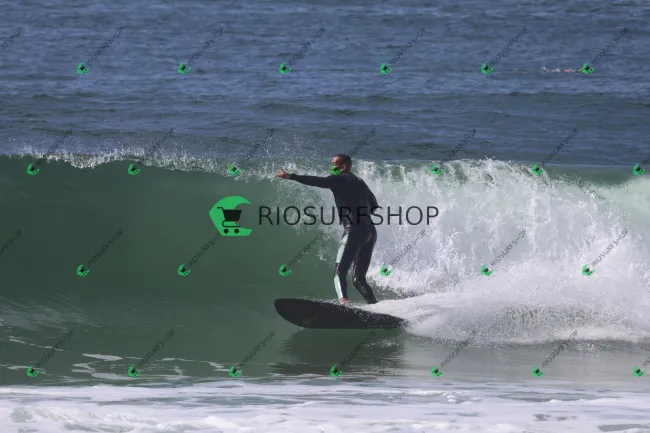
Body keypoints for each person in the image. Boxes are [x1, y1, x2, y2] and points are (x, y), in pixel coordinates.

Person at [276, 154, 379, 304]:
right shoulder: (360, 182)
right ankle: (376, 308)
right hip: (370, 231)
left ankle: (344, 304)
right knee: (358, 280)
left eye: (334, 164)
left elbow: (318, 181)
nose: (331, 167)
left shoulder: (339, 179)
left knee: (339, 272)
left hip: (354, 230)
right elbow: (374, 205)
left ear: (343, 166)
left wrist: (291, 176)